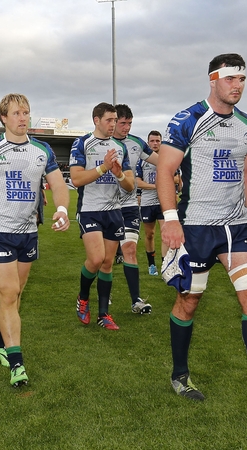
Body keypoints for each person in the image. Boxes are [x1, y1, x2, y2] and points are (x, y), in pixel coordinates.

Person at [157, 53, 247, 422]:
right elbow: (165, 169)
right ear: (213, 79)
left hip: (237, 226)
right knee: (188, 302)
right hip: (195, 226)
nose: (237, 86)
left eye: (242, 80)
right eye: (231, 79)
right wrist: (171, 220)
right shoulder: (187, 120)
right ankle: (179, 375)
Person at [0, 93, 70, 387]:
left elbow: (59, 185)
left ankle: (0, 344)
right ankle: (17, 365)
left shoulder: (42, 150)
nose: (23, 117)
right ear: (4, 118)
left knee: (16, 294)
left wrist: (61, 210)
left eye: (26, 112)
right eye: (17, 113)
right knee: (9, 294)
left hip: (28, 232)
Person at [69, 102, 134, 330]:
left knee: (107, 263)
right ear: (96, 120)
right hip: (90, 209)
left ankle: (104, 314)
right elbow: (76, 179)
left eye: (115, 120)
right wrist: (103, 168)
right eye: (109, 120)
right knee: (96, 260)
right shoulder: (83, 143)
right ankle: (83, 298)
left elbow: (130, 186)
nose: (113, 124)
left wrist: (118, 175)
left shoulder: (120, 147)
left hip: (114, 211)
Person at [112, 104, 158, 314]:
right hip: (105, 206)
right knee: (104, 257)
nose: (126, 127)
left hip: (130, 205)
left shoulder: (137, 143)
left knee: (129, 249)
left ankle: (136, 300)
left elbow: (161, 160)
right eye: (123, 123)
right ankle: (104, 294)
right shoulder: (99, 143)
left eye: (129, 123)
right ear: (113, 121)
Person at [137, 130, 165, 277]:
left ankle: (165, 265)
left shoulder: (167, 158)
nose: (155, 143)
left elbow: (177, 179)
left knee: (166, 233)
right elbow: (138, 182)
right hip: (147, 202)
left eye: (158, 141)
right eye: (152, 141)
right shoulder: (142, 159)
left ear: (161, 142)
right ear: (148, 143)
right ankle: (152, 265)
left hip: (164, 201)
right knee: (149, 234)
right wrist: (156, 186)